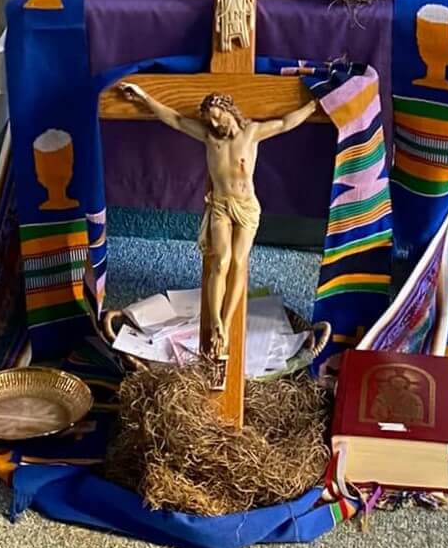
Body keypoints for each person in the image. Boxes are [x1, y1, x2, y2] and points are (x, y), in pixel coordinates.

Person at [116, 84, 320, 361]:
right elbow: (175, 119)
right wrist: (143, 97)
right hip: (221, 207)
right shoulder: (210, 138)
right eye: (209, 119)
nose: (213, 123)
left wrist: (312, 106)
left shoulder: (251, 133)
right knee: (220, 261)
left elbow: (285, 123)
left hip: (246, 208)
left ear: (228, 110)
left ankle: (227, 318)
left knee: (238, 262)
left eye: (216, 116)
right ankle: (215, 324)